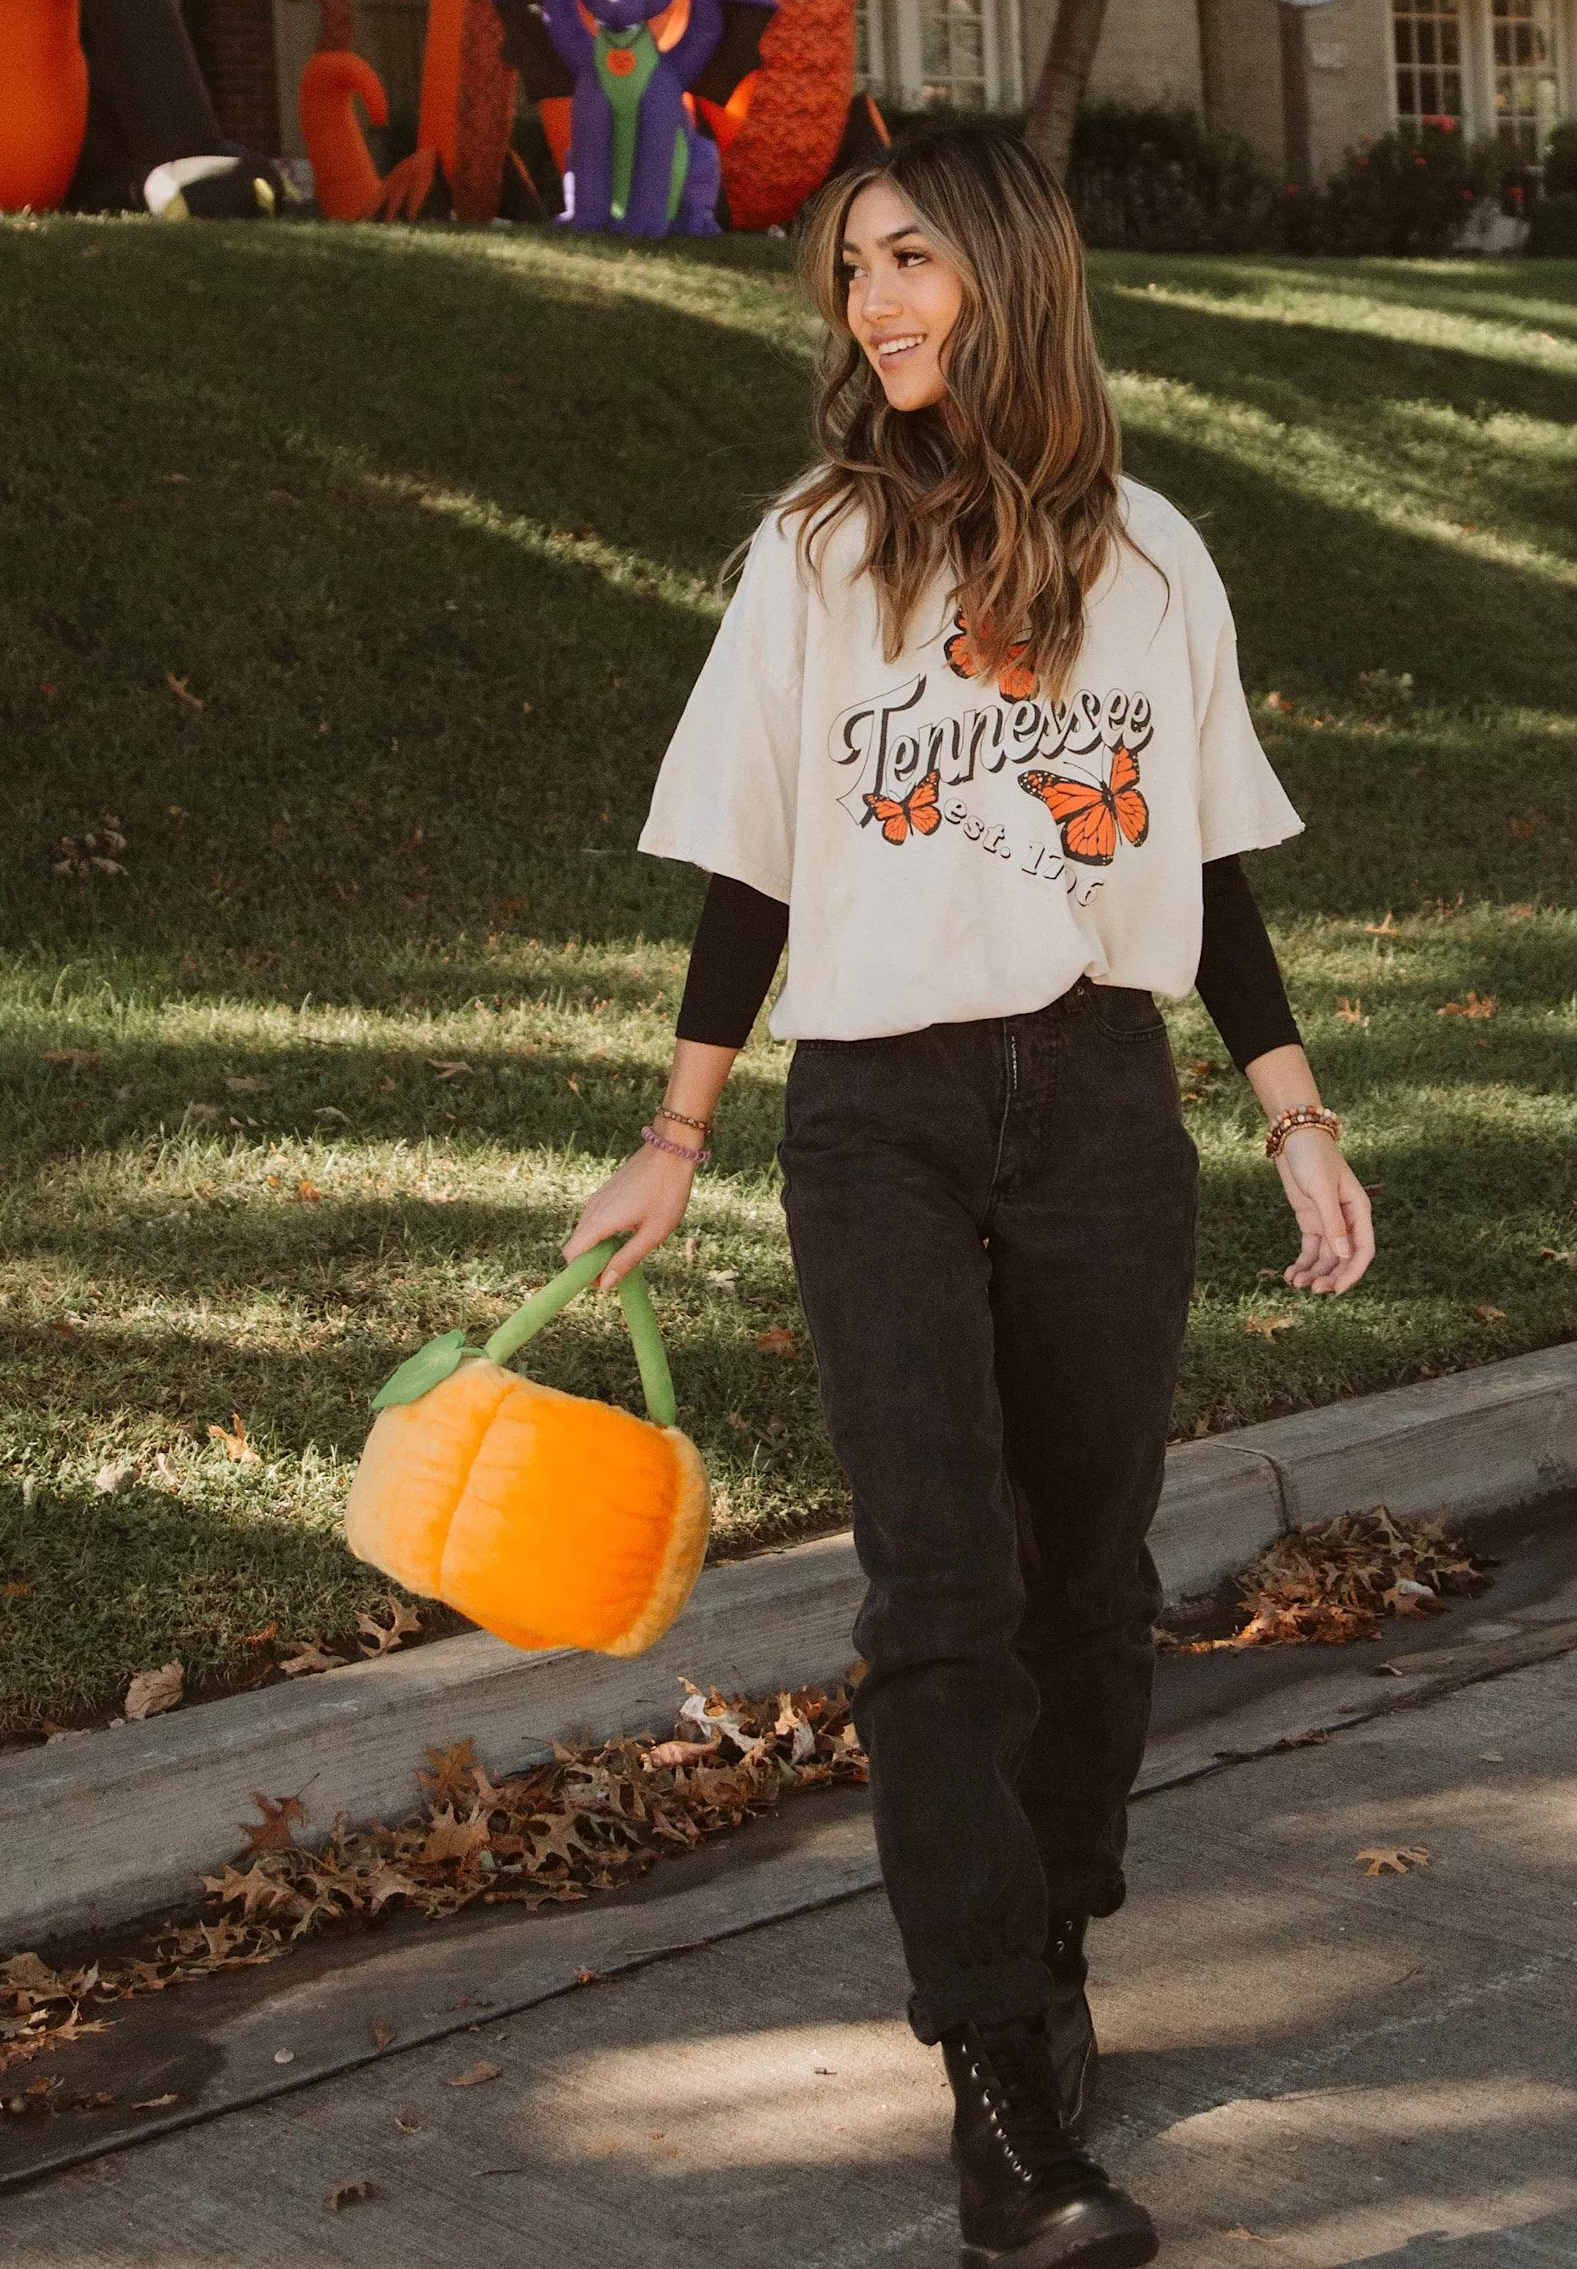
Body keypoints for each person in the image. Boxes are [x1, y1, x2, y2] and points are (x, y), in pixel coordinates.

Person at [564, 126, 1373, 2269]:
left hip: (1105, 1111)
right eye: (851, 273)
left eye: (913, 258)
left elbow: (1204, 872)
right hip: (884, 1122)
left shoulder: (1160, 563)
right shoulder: (814, 554)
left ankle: (1054, 1924)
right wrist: (675, 1133)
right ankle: (1000, 2089)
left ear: (1011, 272)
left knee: (1087, 1578)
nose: (879, 302)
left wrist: (1292, 1109)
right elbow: (754, 865)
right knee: (938, 1596)